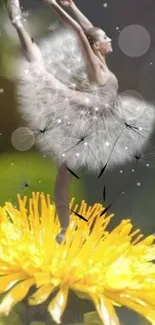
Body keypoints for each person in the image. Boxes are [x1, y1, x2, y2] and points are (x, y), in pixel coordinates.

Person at [7, 0, 155, 241]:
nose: (109, 39)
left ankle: (65, 228)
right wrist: (53, 4)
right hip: (81, 115)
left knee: (66, 178)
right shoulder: (96, 65)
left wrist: (72, 5)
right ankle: (17, 22)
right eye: (105, 37)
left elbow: (88, 29)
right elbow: (80, 32)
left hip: (93, 114)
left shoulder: (102, 61)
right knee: (38, 68)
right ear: (97, 45)